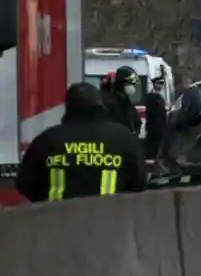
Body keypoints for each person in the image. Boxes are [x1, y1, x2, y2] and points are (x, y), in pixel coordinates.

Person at [16, 83, 147, 202]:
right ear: (100, 105)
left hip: (56, 222)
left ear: (68, 107)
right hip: (109, 221)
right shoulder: (123, 138)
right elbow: (139, 181)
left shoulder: (47, 140)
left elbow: (25, 183)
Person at [102, 66, 142, 135]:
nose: (132, 87)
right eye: (129, 84)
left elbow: (136, 121)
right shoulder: (110, 103)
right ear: (122, 84)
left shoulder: (127, 102)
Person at [143, 76, 167, 160]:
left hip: (161, 127)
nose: (161, 86)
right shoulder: (151, 96)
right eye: (159, 83)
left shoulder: (161, 97)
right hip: (153, 127)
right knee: (152, 148)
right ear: (154, 84)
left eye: (162, 83)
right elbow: (150, 111)